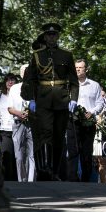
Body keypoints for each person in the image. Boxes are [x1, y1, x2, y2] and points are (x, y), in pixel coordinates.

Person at [22, 22, 79, 181]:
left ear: (58, 36)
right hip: (43, 100)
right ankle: (45, 168)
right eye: (48, 34)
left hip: (61, 100)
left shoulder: (66, 55)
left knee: (59, 136)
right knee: (46, 132)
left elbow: (74, 81)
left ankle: (53, 169)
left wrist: (73, 99)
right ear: (45, 37)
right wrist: (32, 99)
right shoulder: (37, 55)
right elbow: (31, 80)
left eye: (54, 34)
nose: (51, 37)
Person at [66, 59, 104, 182]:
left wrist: (92, 112)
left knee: (86, 151)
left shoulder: (94, 85)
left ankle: (86, 180)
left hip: (88, 122)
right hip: (73, 121)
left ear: (86, 69)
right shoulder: (68, 84)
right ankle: (72, 178)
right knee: (72, 150)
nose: (77, 69)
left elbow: (100, 103)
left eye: (80, 67)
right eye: (76, 67)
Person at [8, 65, 35, 182]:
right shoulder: (14, 88)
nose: (26, 73)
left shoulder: (36, 87)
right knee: (19, 156)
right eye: (24, 71)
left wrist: (31, 113)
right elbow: (9, 108)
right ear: (20, 74)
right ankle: (22, 180)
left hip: (33, 123)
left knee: (32, 155)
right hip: (18, 123)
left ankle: (31, 181)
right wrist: (19, 113)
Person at [0, 73, 18, 180]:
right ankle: (8, 181)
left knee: (18, 158)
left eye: (12, 80)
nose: (10, 82)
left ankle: (19, 181)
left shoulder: (19, 96)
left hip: (18, 128)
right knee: (7, 156)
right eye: (8, 80)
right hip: (4, 131)